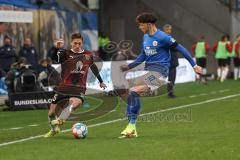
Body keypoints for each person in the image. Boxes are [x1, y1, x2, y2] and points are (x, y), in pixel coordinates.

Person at [119, 12, 202, 138]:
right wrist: (129, 66)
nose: (139, 27)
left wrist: (194, 65)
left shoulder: (163, 37)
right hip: (149, 72)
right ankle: (132, 127)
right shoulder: (145, 37)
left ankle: (131, 126)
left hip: (160, 73)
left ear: (148, 24)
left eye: (141, 25)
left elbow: (181, 49)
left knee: (134, 91)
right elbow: (143, 55)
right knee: (131, 93)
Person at [44, 33, 107, 138]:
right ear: (71, 43)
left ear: (82, 43)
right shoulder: (65, 53)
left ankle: (60, 120)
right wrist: (57, 49)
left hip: (79, 87)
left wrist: (101, 81)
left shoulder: (87, 54)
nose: (77, 45)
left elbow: (93, 66)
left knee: (75, 103)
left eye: (79, 43)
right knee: (51, 113)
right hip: (64, 87)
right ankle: (54, 130)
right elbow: (57, 59)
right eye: (75, 43)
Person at [163, 24, 179, 98]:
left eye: (170, 29)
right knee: (171, 78)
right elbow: (175, 47)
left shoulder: (168, 38)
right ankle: (170, 93)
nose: (170, 31)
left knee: (172, 78)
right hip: (170, 61)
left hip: (172, 61)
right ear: (165, 30)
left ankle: (170, 92)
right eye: (169, 29)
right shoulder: (166, 38)